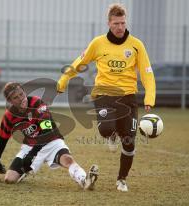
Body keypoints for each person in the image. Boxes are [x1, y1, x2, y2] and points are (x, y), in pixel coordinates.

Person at [57, 3, 156, 192]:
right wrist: (63, 80)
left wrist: (149, 97)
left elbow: (147, 72)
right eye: (116, 23)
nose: (120, 27)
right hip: (104, 94)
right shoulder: (98, 43)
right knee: (105, 129)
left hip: (128, 97)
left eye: (123, 23)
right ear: (109, 23)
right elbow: (80, 62)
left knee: (129, 142)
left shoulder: (136, 45)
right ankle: (111, 135)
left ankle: (122, 179)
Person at [0, 82, 99, 190]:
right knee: (9, 179)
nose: (21, 98)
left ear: (24, 92)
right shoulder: (9, 116)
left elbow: (47, 130)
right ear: (10, 101)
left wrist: (32, 154)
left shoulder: (37, 103)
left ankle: (85, 180)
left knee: (67, 160)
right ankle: (24, 171)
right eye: (16, 97)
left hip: (51, 141)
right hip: (30, 146)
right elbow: (3, 138)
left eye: (21, 94)